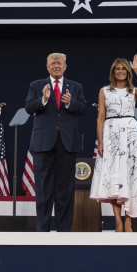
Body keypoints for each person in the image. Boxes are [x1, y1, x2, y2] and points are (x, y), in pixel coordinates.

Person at [24, 53, 88, 232]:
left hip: (66, 144)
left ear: (65, 66)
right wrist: (43, 99)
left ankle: (64, 231)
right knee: (44, 191)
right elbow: (29, 107)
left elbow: (83, 108)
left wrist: (70, 103)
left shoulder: (75, 87)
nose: (57, 66)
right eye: (53, 63)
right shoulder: (36, 86)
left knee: (65, 191)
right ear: (47, 67)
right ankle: (43, 232)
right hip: (43, 144)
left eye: (60, 63)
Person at [89, 56, 137, 231]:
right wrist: (100, 142)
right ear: (113, 72)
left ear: (127, 72)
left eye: (123, 69)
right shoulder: (105, 91)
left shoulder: (132, 91)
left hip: (130, 133)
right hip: (111, 134)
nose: (120, 71)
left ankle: (129, 219)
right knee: (114, 177)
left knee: (129, 176)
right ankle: (117, 220)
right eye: (117, 69)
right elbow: (100, 117)